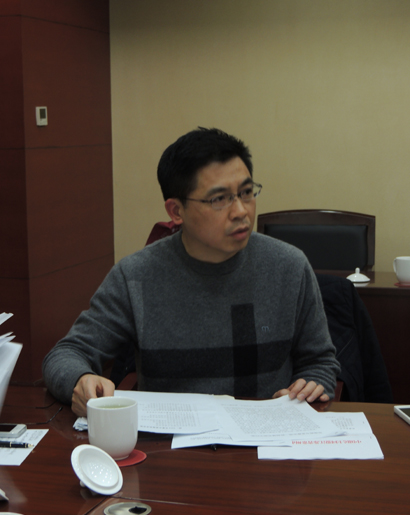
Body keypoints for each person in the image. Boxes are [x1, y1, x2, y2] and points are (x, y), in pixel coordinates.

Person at [42, 127, 340, 416]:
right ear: (176, 211)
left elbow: (321, 363)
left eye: (247, 192)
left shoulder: (288, 266)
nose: (241, 211)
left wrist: (311, 386)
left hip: (264, 438)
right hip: (168, 440)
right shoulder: (136, 276)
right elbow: (65, 355)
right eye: (219, 199)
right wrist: (80, 379)